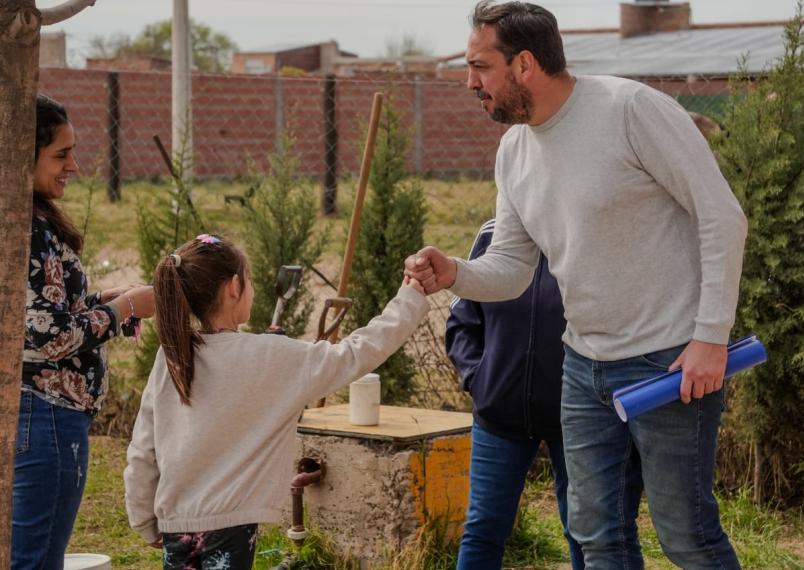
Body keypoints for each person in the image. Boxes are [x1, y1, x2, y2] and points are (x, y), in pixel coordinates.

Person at [405, 2, 748, 568]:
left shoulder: (630, 110)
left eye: (479, 66)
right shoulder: (514, 149)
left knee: (686, 534)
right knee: (594, 532)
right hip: (583, 365)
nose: (470, 82)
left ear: (524, 65)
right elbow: (513, 268)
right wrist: (457, 274)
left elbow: (721, 216)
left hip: (670, 363)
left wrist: (710, 337)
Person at [123, 234, 429, 569]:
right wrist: (410, 297)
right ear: (234, 287)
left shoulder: (171, 357)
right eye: (250, 280)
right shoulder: (270, 356)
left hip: (175, 524)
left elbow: (143, 449)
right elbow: (356, 353)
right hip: (231, 524)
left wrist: (143, 518)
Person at [14, 94, 155, 569]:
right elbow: (49, 338)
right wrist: (126, 308)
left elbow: (36, 315)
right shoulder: (26, 230)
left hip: (35, 413)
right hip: (46, 414)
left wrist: (101, 301)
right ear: (18, 154)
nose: (74, 164)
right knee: (36, 560)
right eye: (60, 154)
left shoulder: (26, 219)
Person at [446, 219, 584, 569]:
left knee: (585, 531)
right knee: (483, 528)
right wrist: (479, 379)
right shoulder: (493, 236)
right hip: (499, 415)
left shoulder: (587, 232)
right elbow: (462, 322)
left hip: (579, 416)